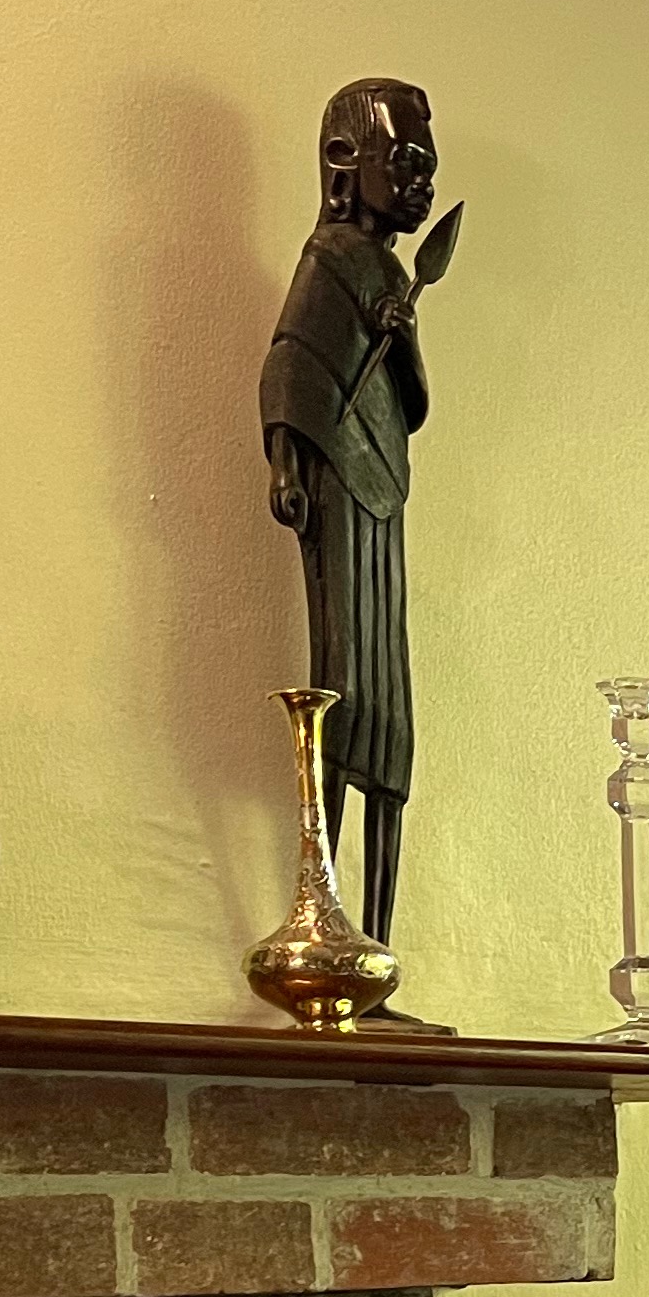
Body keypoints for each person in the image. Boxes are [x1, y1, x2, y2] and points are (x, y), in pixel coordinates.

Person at [259, 77, 451, 946]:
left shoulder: (392, 272)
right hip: (336, 478)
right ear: (345, 161)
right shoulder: (329, 258)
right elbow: (290, 361)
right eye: (403, 161)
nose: (419, 182)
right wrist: (287, 460)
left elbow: (414, 405)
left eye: (427, 167)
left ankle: (378, 939)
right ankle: (325, 916)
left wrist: (403, 335)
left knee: (388, 698)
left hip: (385, 491)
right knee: (341, 676)